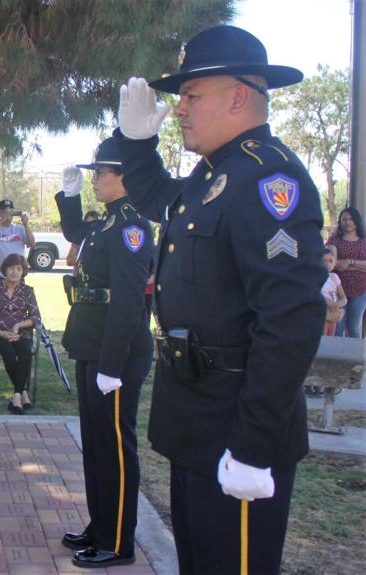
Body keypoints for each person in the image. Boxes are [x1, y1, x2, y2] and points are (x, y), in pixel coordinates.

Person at [114, 25, 327, 574]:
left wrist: (255, 446)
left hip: (237, 427)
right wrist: (136, 144)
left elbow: (291, 321)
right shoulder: (215, 173)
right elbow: (161, 197)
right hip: (198, 421)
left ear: (238, 97)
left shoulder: (268, 178)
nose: (178, 108)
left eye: (191, 95)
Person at [55, 138, 154, 568]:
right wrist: (71, 197)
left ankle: (118, 540)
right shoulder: (107, 222)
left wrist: (112, 365)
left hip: (117, 352)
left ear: (123, 177)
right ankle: (100, 526)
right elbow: (77, 233)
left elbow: (131, 303)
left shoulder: (133, 226)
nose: (95, 178)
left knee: (114, 446)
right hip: (92, 343)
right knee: (95, 444)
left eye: (100, 173)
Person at [0, 253, 41, 414]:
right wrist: (2, 333)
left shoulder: (28, 291)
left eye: (19, 269)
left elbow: (35, 317)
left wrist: (18, 326)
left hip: (21, 335)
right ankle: (23, 394)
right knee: (8, 352)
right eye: (11, 268)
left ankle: (16, 396)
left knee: (25, 352)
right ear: (4, 270)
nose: (15, 272)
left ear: (23, 272)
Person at [326, 207, 366, 338]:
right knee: (338, 327)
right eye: (344, 219)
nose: (348, 222)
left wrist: (350, 262)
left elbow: (342, 264)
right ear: (340, 221)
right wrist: (360, 265)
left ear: (357, 221)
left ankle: (355, 358)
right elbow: (333, 263)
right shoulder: (334, 240)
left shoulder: (364, 240)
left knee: (354, 327)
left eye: (351, 219)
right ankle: (337, 358)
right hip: (338, 290)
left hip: (361, 290)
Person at [0, 199, 34, 286]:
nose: (8, 214)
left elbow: (32, 244)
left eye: (11, 211)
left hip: (17, 274)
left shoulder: (20, 229)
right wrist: (0, 221)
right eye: (4, 211)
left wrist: (26, 224)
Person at [321, 245, 347, 337]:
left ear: (335, 263)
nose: (327, 264)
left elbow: (344, 298)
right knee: (323, 336)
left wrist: (337, 305)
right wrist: (329, 303)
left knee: (331, 336)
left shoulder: (334, 277)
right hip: (321, 310)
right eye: (324, 261)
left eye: (330, 261)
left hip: (333, 311)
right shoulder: (316, 277)